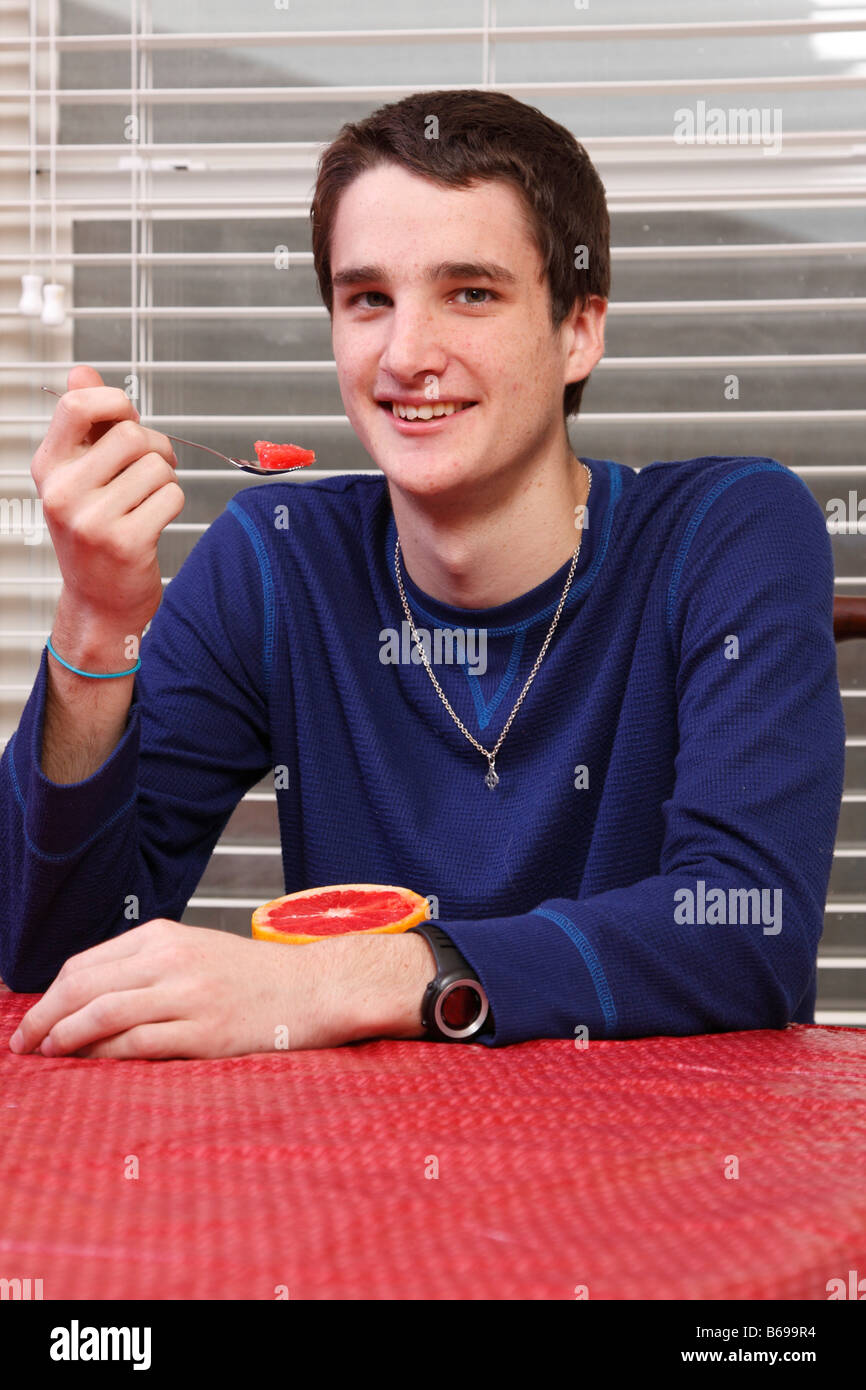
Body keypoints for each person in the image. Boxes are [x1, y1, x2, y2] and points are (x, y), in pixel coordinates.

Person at [1, 90, 845, 1059]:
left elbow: (744, 934)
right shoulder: (274, 557)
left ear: (578, 330)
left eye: (470, 293)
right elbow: (49, 959)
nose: (406, 355)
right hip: (369, 1188)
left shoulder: (732, 534)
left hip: (665, 1178)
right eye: (368, 299)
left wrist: (348, 976)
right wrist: (96, 624)